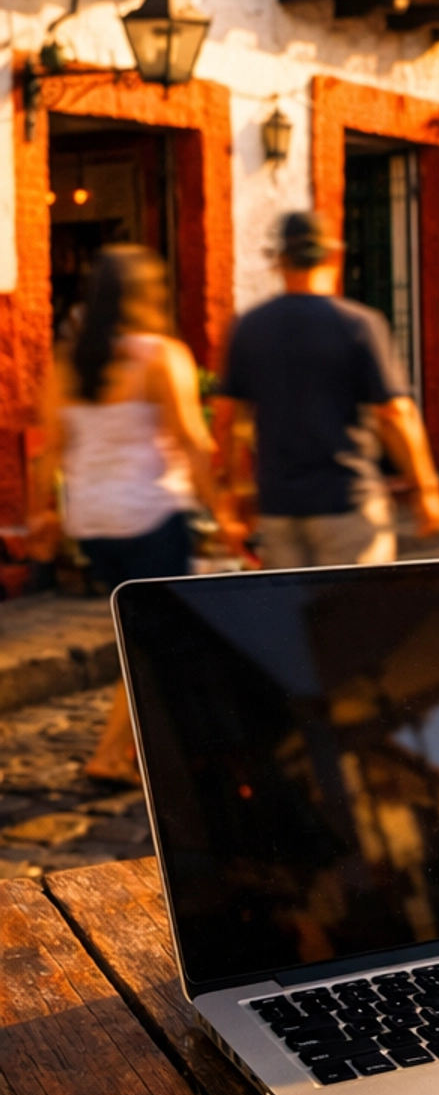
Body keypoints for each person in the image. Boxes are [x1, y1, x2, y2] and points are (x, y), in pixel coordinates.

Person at [27, 246, 243, 784]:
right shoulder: (160, 356)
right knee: (157, 639)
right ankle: (121, 754)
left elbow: (46, 452)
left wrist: (42, 516)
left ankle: (139, 747)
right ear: (146, 295)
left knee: (149, 632)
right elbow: (192, 442)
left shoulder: (70, 362)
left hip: (95, 523)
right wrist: (225, 516)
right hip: (151, 519)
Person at [218, 210, 439, 568]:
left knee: (293, 619)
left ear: (279, 262)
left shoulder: (248, 327)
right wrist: (426, 488)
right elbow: (394, 414)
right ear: (334, 256)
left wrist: (236, 496)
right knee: (354, 618)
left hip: (280, 507)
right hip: (347, 501)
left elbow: (231, 423)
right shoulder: (358, 325)